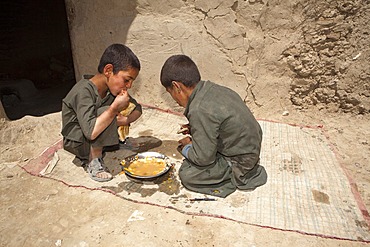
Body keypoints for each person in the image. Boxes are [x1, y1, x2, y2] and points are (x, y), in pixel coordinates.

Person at [160, 54, 267, 198]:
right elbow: (221, 121)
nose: (174, 99)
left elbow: (203, 158)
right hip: (250, 147)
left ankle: (232, 174)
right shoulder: (211, 89)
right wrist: (196, 129)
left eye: (170, 93)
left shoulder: (198, 109)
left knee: (187, 174)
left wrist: (186, 147)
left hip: (241, 161)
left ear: (176, 86)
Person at [61, 44, 142, 182]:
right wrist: (114, 108)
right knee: (107, 111)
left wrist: (126, 120)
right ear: (108, 70)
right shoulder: (83, 91)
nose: (129, 86)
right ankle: (94, 160)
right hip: (79, 142)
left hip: (95, 133)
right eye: (127, 80)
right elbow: (90, 132)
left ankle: (111, 143)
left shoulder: (112, 89)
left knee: (110, 111)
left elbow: (137, 108)